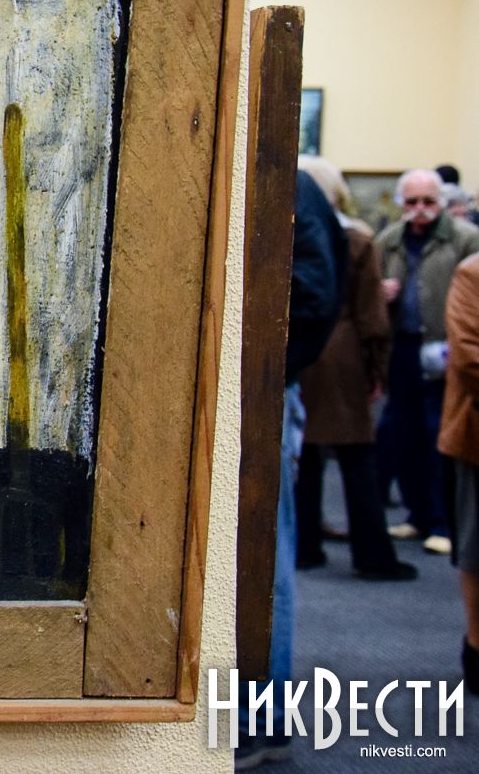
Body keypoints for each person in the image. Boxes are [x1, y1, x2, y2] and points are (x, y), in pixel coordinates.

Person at [236, 170, 346, 771]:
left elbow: (310, 300)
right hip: (263, 390)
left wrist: (261, 374)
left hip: (264, 395)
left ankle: (262, 717)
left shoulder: (286, 183)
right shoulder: (286, 184)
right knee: (260, 558)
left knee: (264, 561)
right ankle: (259, 715)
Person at [294, 157, 415, 580]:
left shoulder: (295, 230)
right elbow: (372, 317)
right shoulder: (358, 240)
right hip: (345, 359)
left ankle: (305, 546)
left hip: (307, 357)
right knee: (358, 459)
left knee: (307, 458)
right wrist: (377, 369)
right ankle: (373, 555)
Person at [375, 169, 479, 556]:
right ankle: (417, 514)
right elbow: (369, 289)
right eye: (412, 201)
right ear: (401, 203)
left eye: (428, 201)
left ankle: (442, 522)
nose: (420, 209)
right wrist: (380, 292)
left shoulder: (465, 239)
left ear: (442, 203)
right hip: (402, 348)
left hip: (447, 350)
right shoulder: (389, 240)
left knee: (439, 434)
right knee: (402, 433)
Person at [440, 254, 479, 692]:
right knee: (474, 549)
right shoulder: (473, 273)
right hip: (475, 436)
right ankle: (477, 647)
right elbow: (469, 359)